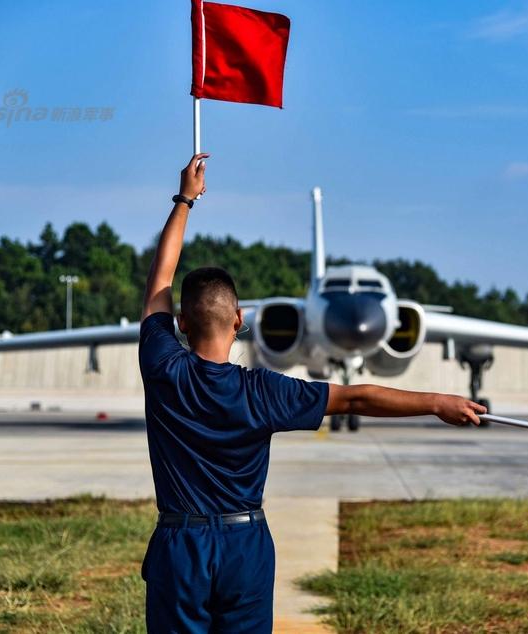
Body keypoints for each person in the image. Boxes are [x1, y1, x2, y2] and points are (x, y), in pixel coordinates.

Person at [139, 153, 486, 633]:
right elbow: (356, 398)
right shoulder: (265, 391)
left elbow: (161, 277)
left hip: (179, 544)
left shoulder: (161, 365)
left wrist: (184, 200)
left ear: (180, 324)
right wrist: (436, 402)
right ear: (240, 321)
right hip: (245, 543)